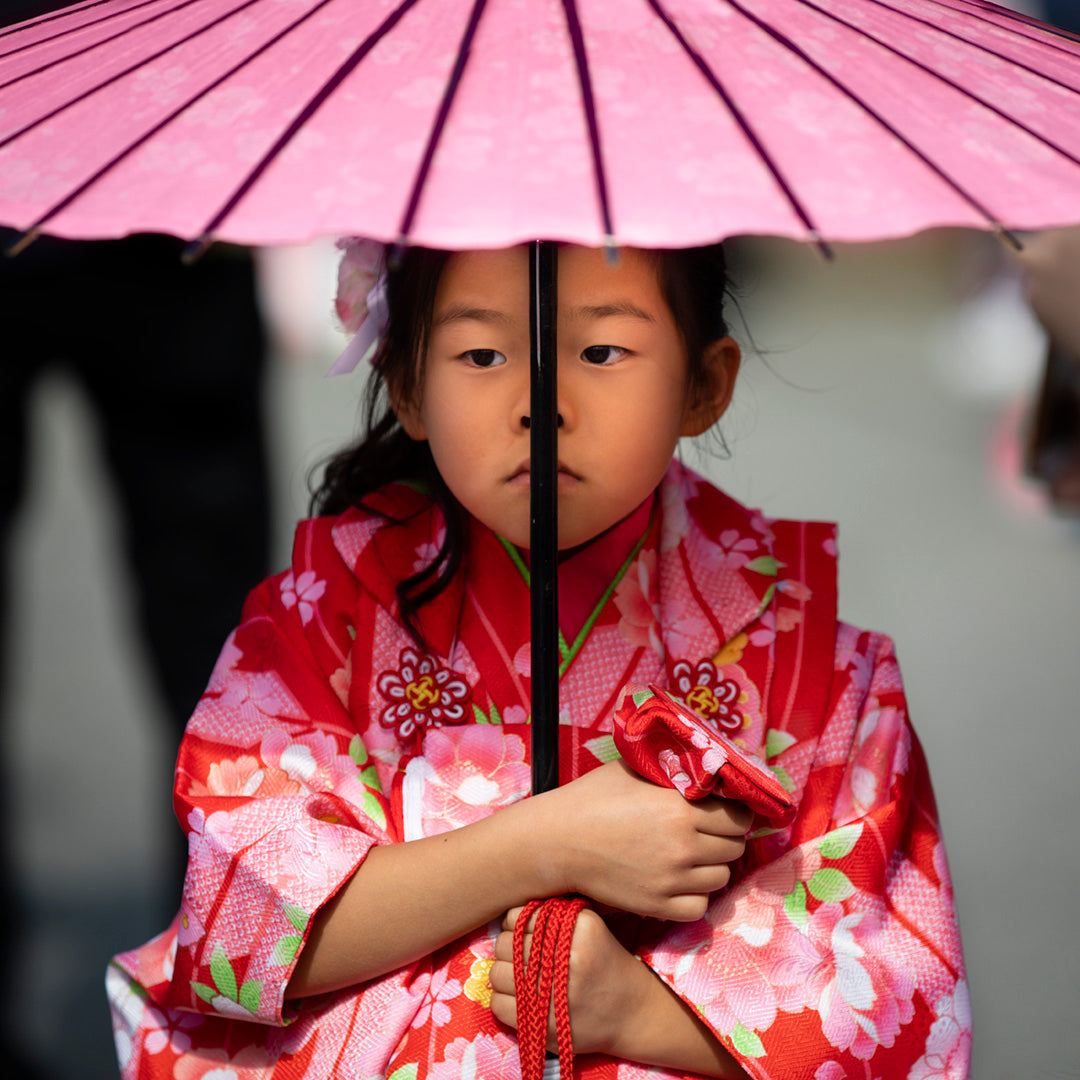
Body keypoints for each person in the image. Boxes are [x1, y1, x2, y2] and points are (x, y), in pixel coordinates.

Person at [107, 242, 969, 1080]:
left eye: (601, 350)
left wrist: (634, 1013)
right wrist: (546, 844)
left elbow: (898, 1007)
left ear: (704, 386)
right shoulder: (317, 620)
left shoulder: (811, 664)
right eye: (482, 353)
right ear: (408, 385)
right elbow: (242, 934)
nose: (540, 401)